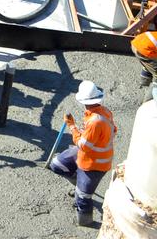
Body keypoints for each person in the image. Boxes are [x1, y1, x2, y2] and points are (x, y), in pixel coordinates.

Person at [49, 81, 117, 227]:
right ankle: (79, 184)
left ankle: (85, 221)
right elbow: (113, 130)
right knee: (57, 165)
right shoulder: (104, 112)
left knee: (83, 198)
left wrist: (72, 126)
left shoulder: (94, 122)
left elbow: (83, 145)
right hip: (88, 156)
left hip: (95, 165)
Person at [131, 29, 157, 101]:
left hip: (136, 43)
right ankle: (148, 101)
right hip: (144, 50)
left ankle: (144, 81)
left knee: (149, 63)